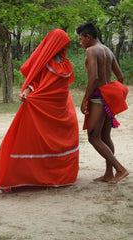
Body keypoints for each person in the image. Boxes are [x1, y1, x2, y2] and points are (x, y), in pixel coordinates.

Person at [0, 29, 79, 192]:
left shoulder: (66, 63)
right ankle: (26, 176)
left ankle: (60, 176)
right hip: (42, 108)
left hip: (62, 110)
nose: (65, 47)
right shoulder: (45, 62)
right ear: (55, 44)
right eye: (63, 44)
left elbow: (63, 87)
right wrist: (26, 94)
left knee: (62, 142)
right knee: (35, 141)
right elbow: (34, 82)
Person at [76, 22, 129, 184]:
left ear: (88, 37)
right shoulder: (107, 50)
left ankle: (120, 169)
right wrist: (112, 94)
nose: (80, 42)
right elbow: (120, 77)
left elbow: (94, 78)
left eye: (80, 39)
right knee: (105, 136)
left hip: (98, 98)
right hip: (107, 97)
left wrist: (85, 99)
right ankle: (108, 173)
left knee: (93, 137)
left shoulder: (91, 50)